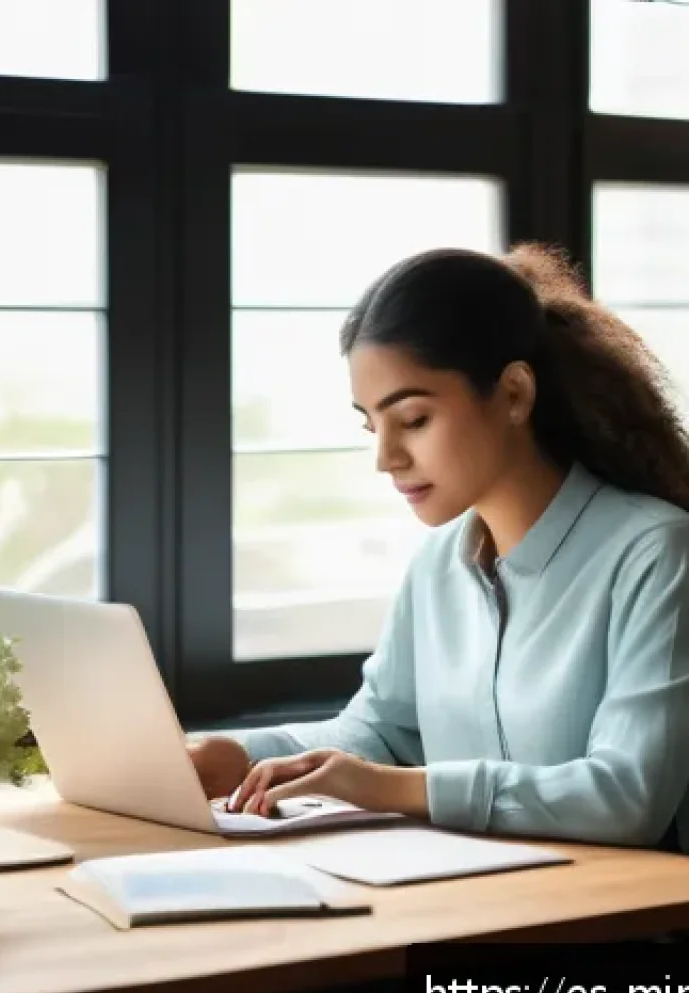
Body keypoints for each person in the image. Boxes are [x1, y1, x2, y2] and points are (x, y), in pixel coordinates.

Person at [189, 242, 689, 852]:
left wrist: (396, 789)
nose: (386, 458)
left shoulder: (655, 552)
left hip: (620, 931)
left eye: (415, 420)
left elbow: (626, 799)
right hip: (470, 906)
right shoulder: (438, 564)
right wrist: (238, 756)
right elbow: (378, 731)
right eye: (373, 425)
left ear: (513, 394)